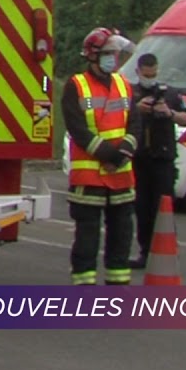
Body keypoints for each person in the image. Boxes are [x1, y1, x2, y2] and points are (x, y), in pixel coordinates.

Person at [60, 27, 145, 285]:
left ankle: (117, 285)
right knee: (87, 237)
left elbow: (135, 124)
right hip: (90, 176)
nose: (114, 59)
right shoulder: (76, 86)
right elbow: (77, 128)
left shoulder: (124, 85)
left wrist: (123, 153)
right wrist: (108, 154)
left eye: (115, 54)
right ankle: (84, 285)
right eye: (108, 54)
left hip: (120, 174)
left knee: (121, 234)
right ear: (93, 56)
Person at [129, 53, 186, 268]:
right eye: (146, 74)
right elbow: (117, 116)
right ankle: (145, 252)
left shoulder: (169, 94)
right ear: (138, 72)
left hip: (163, 160)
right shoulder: (131, 93)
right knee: (142, 209)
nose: (150, 77)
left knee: (163, 208)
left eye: (153, 73)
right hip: (140, 159)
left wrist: (169, 112)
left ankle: (168, 251)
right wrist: (137, 108)